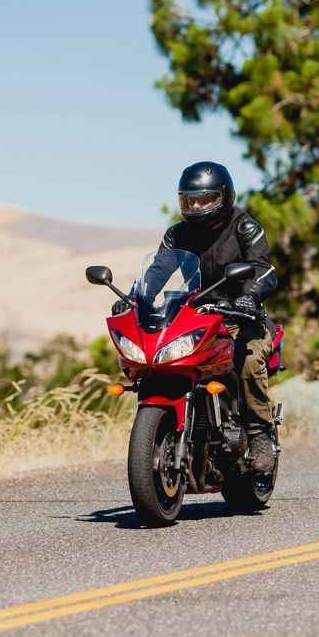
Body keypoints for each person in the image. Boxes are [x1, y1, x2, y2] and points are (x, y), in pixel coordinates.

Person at [114, 161, 278, 472]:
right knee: (159, 358)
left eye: (206, 199)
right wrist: (134, 299)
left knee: (249, 360)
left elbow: (264, 270)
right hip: (196, 316)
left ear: (224, 197)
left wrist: (249, 297)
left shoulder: (245, 228)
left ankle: (259, 435)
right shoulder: (178, 235)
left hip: (240, 317)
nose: (198, 206)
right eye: (191, 200)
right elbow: (157, 271)